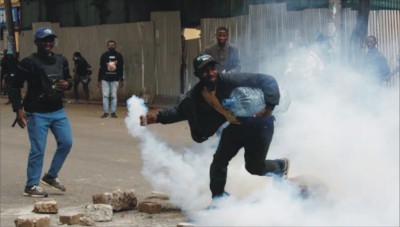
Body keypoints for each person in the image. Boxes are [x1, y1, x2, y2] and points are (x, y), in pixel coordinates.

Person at [140, 54, 289, 202]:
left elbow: (267, 80)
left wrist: (269, 107)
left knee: (254, 167)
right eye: (205, 71)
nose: (211, 73)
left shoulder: (230, 81)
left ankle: (280, 166)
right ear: (197, 74)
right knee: (219, 162)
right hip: (236, 128)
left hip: (259, 125)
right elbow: (179, 111)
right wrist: (157, 118)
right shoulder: (198, 94)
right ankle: (219, 200)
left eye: (212, 68)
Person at [8, 26, 73, 197]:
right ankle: (31, 185)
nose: (49, 43)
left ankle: (51, 176)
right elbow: (14, 86)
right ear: (37, 43)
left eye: (51, 40)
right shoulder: (28, 62)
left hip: (58, 111)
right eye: (45, 40)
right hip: (36, 112)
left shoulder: (61, 60)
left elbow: (69, 79)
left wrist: (68, 85)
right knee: (38, 149)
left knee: (66, 143)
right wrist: (18, 110)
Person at [97, 40, 124, 118]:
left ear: (115, 46)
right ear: (107, 46)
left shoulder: (119, 56)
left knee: (113, 96)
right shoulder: (104, 55)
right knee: (105, 96)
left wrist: (122, 79)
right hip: (105, 79)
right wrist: (99, 80)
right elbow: (100, 68)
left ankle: (113, 112)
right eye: (109, 45)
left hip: (115, 79)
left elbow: (121, 68)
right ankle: (106, 112)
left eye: (113, 45)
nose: (111, 46)